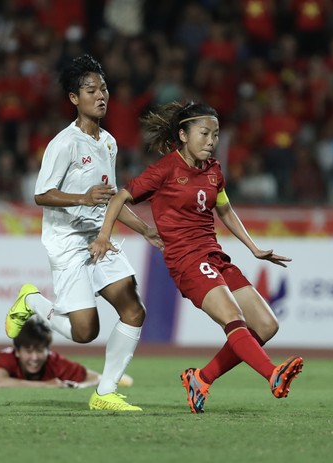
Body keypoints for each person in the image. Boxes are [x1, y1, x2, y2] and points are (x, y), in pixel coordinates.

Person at [89, 101, 304, 413]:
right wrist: (105, 235)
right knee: (234, 319)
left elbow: (224, 208)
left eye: (215, 135)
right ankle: (272, 374)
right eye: (204, 133)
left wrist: (253, 248)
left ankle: (201, 378)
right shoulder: (164, 170)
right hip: (187, 260)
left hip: (215, 255)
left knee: (266, 325)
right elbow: (121, 196)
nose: (211, 141)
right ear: (184, 135)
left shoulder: (214, 170)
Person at [5, 54, 163, 412]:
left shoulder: (108, 142)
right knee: (84, 332)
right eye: (91, 90)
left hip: (98, 236)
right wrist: (82, 196)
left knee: (134, 311)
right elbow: (41, 194)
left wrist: (144, 229)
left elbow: (110, 197)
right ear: (75, 99)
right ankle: (30, 301)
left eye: (104, 88)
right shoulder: (64, 143)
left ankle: (104, 393)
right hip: (66, 242)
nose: (101, 95)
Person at [0, 316, 134, 389]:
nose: (34, 358)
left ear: (48, 350)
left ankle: (118, 377)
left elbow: (94, 377)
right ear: (17, 352)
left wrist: (78, 386)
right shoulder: (5, 358)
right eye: (28, 351)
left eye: (39, 350)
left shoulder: (54, 362)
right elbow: (1, 382)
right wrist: (47, 385)